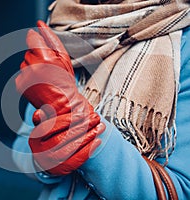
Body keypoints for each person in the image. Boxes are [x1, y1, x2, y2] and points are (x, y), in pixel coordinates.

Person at [12, 0, 190, 199]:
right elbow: (20, 148)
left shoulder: (185, 41)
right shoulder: (67, 25)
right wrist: (45, 164)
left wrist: (82, 133)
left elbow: (182, 191)